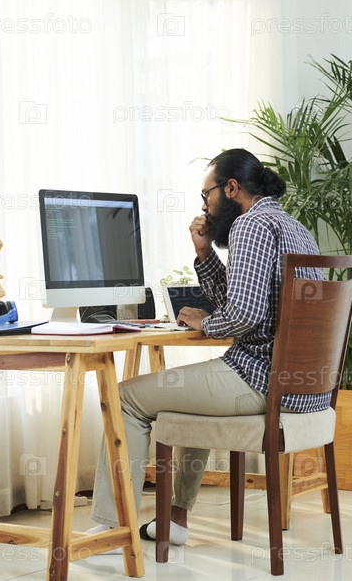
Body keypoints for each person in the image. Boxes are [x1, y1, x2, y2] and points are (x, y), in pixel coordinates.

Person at [89, 148, 328, 546]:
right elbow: (239, 301)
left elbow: (244, 314)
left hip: (260, 379)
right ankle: (176, 519)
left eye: (207, 195)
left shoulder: (250, 225)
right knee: (187, 395)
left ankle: (114, 530)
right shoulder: (294, 227)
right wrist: (204, 253)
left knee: (126, 397)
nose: (205, 206)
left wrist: (206, 322)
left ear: (231, 188)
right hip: (304, 388)